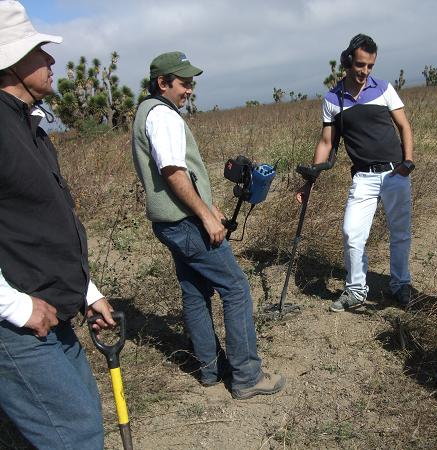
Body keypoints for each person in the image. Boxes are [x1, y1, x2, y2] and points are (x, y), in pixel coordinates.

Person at [131, 51, 285, 400]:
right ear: (163, 83)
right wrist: (204, 215)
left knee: (195, 292)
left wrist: (208, 204)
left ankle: (209, 369)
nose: (188, 90)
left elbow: (175, 173)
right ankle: (246, 375)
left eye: (190, 84)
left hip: (171, 223)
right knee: (235, 287)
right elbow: (173, 172)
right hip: (185, 223)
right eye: (183, 84)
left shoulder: (146, 113)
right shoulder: (163, 117)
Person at [0, 2, 116, 448]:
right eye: (38, 52)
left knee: (83, 421)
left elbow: (45, 223)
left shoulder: (30, 128)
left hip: (51, 311)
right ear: (9, 61)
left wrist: (87, 290)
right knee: (75, 437)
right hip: (17, 323)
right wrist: (14, 307)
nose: (50, 61)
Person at [296, 34, 415, 312]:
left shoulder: (384, 89)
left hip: (394, 172)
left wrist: (407, 162)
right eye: (360, 64)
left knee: (400, 232)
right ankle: (356, 290)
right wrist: (310, 180)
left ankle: (400, 285)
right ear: (348, 61)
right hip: (362, 176)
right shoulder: (332, 99)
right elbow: (327, 142)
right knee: (351, 233)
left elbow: (404, 127)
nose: (365, 71)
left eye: (370, 66)